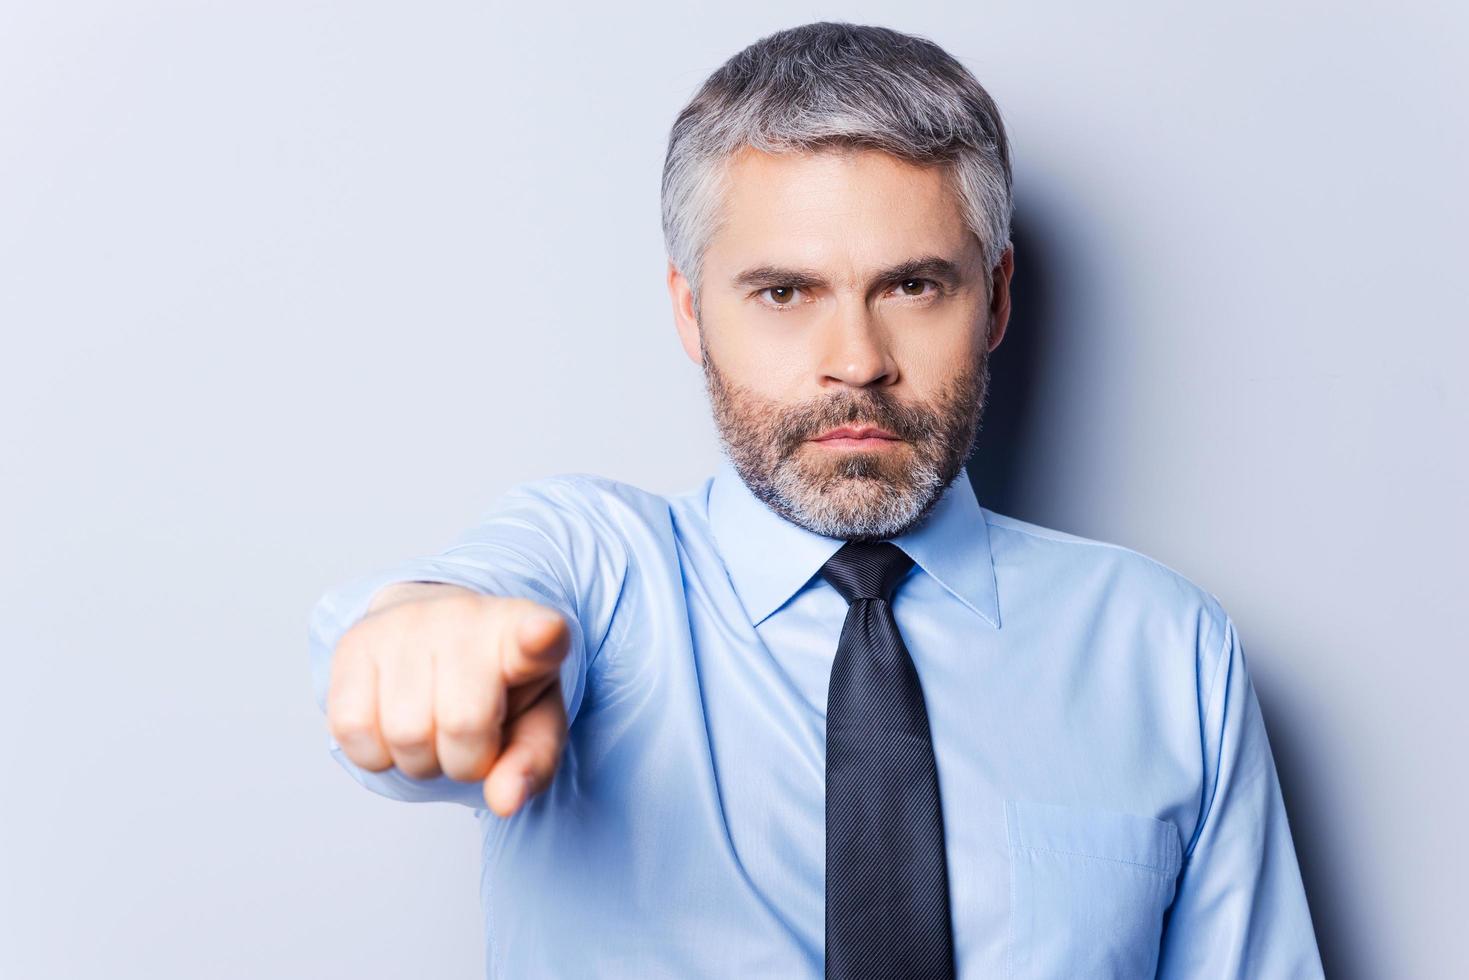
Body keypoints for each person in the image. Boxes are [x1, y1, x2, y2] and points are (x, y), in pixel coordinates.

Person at [307, 21, 1324, 979]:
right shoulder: (598, 578)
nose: (855, 363)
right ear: (690, 312)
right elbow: (443, 618)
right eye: (784, 292)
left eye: (913, 285)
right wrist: (415, 638)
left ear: (997, 299)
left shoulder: (1163, 647)